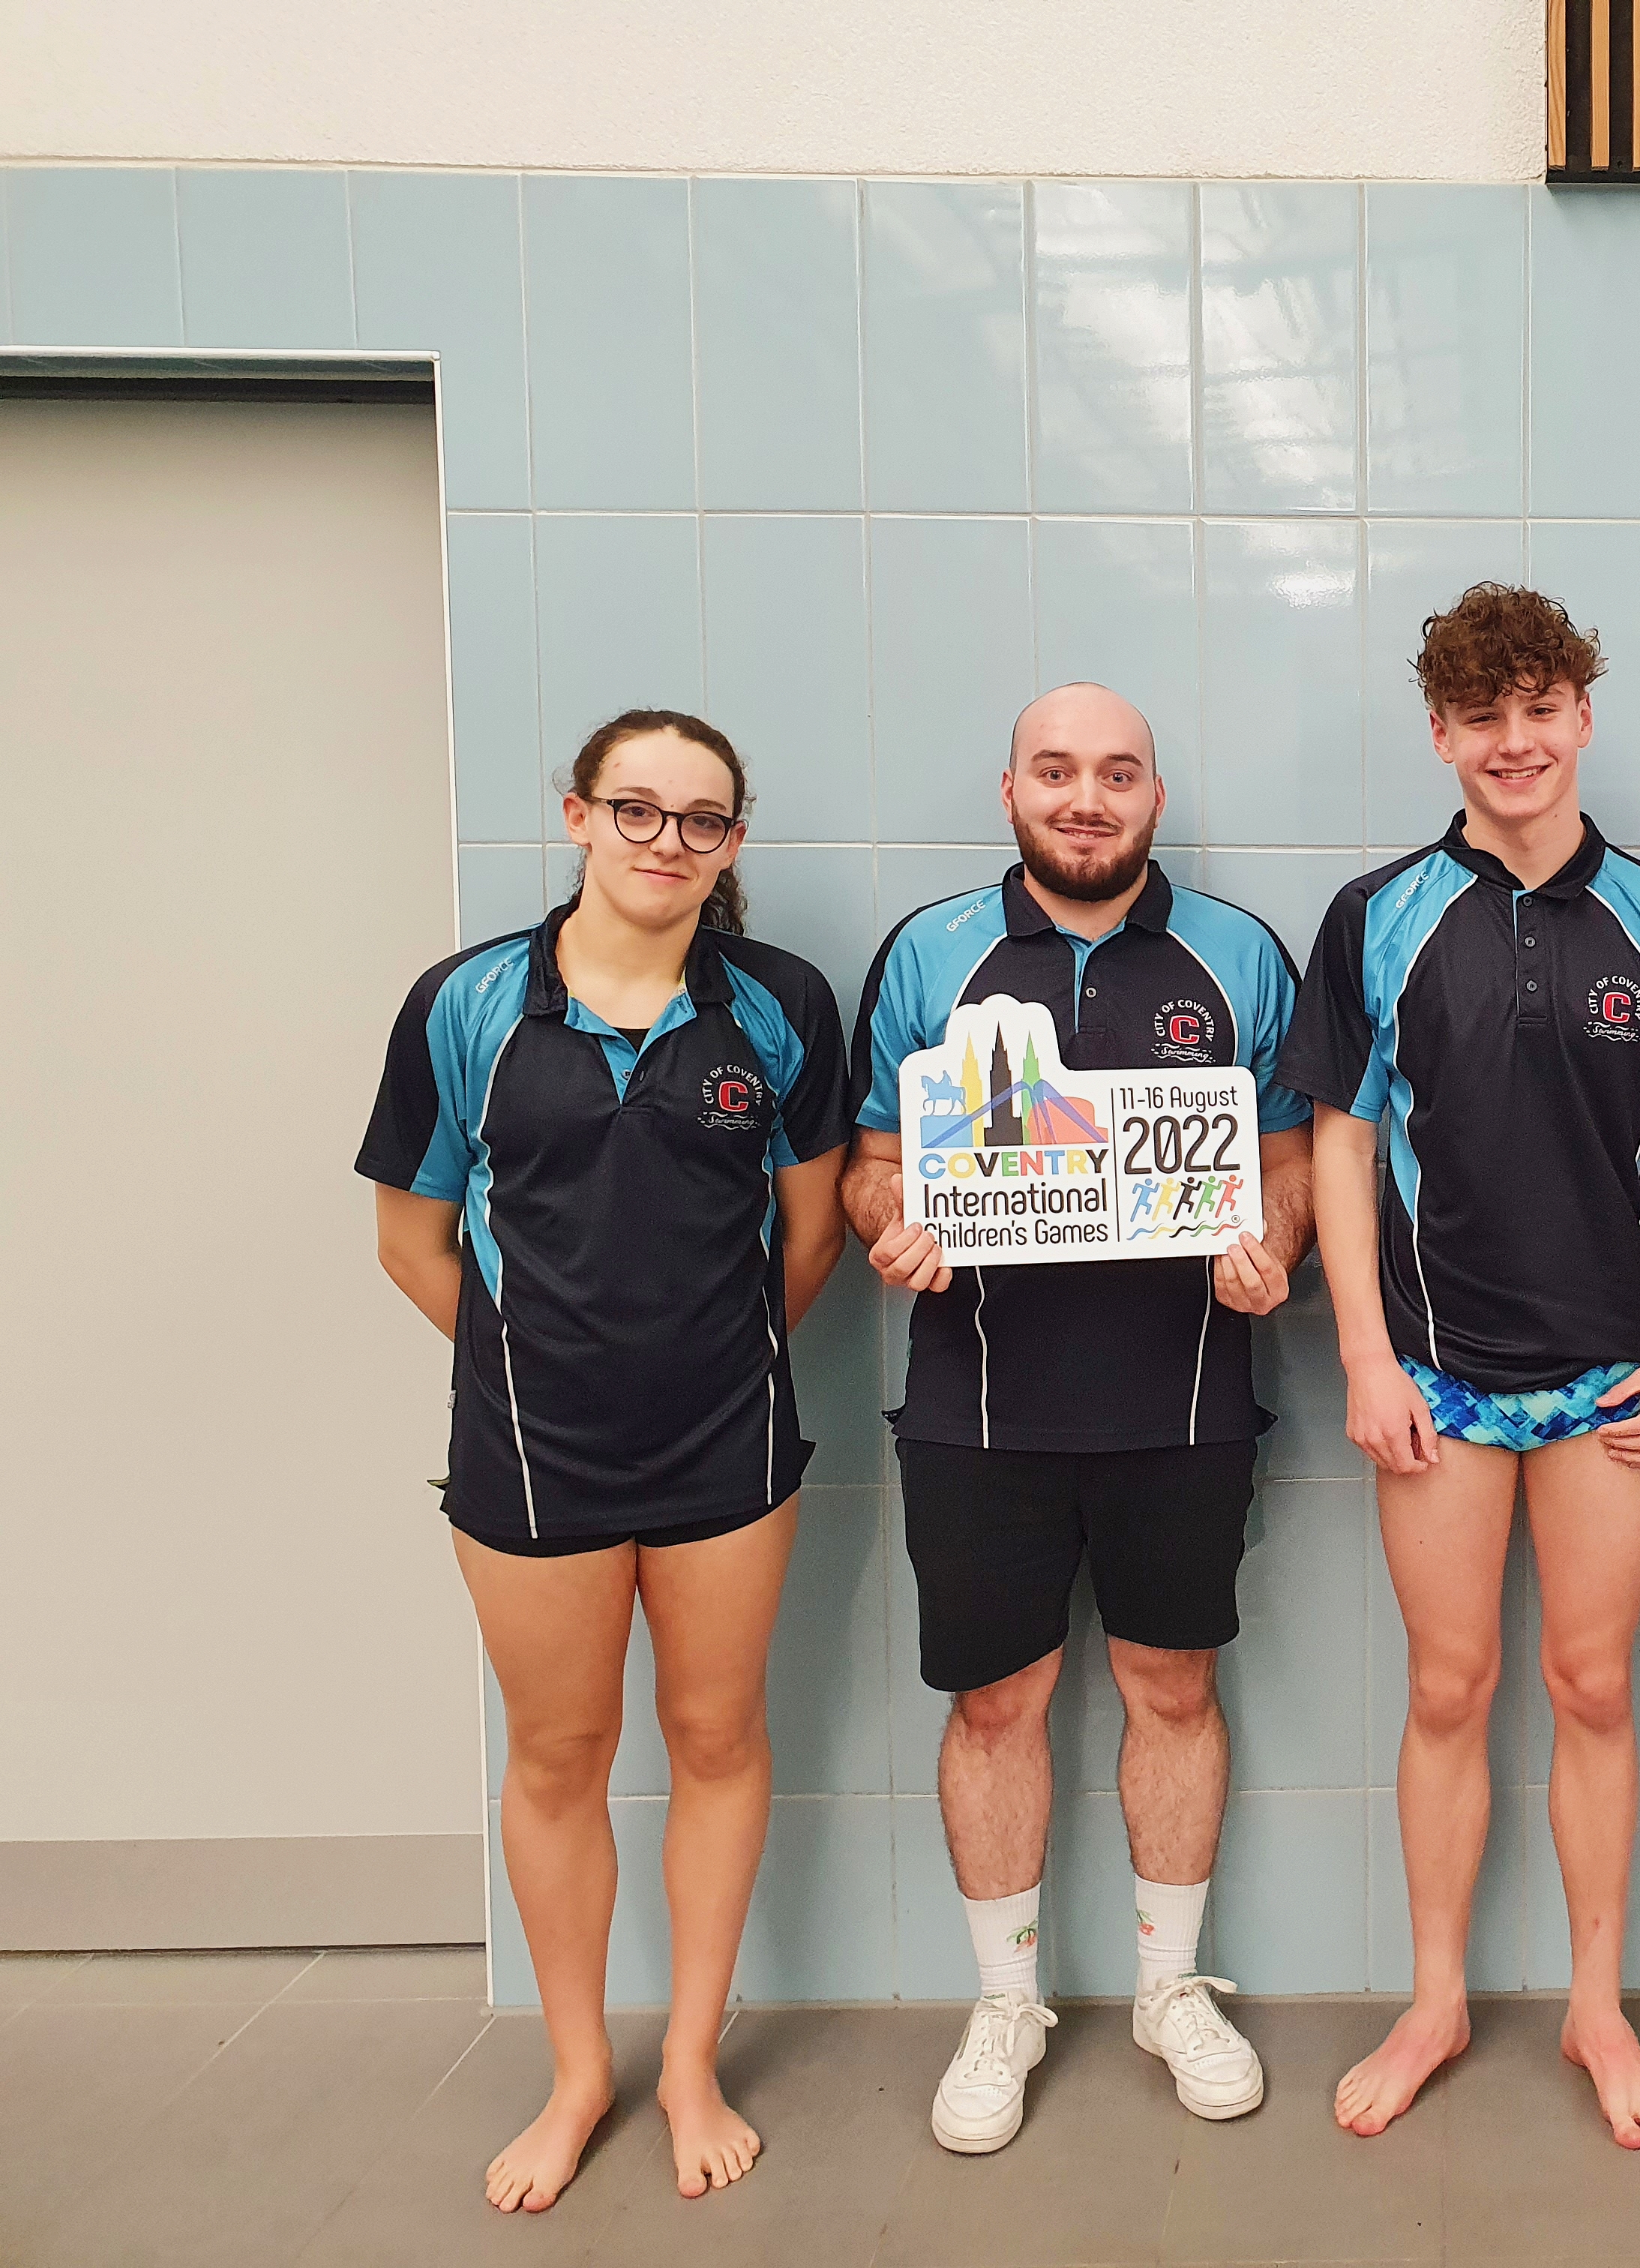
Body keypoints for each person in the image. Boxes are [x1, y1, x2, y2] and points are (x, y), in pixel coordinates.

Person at [361, 710, 850, 2210]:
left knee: (717, 1742)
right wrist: (538, 1361)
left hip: (728, 1444)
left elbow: (813, 1230)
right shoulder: (466, 1006)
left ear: (733, 845)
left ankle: (692, 2058)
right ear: (575, 815)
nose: (665, 841)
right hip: (530, 1455)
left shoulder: (778, 1005)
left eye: (701, 818)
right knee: (561, 1760)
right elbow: (410, 1238)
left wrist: (710, 1359)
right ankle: (582, 2074)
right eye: (636, 809)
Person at [840, 682, 1315, 2154]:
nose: (1086, 797)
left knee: (1175, 1694)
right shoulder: (931, 954)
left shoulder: (1237, 955)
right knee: (997, 1710)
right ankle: (1006, 2006)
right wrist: (895, 1216)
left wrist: (1277, 1243)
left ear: (1154, 799)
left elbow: (1289, 1159)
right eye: (1057, 771)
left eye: (1117, 773)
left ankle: (1173, 1992)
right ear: (1011, 793)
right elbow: (869, 1160)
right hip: (979, 1406)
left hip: (1185, 1403)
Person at [1284, 584, 1640, 2150]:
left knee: (1592, 1684)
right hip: (1443, 1375)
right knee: (1452, 1684)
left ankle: (1596, 2010)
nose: (1516, 742)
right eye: (1485, 717)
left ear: (1584, 717)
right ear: (1443, 735)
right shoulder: (1381, 916)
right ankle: (1437, 1998)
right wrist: (1366, 1350)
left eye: (1542, 709)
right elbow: (1341, 1139)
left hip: (1609, 1370)